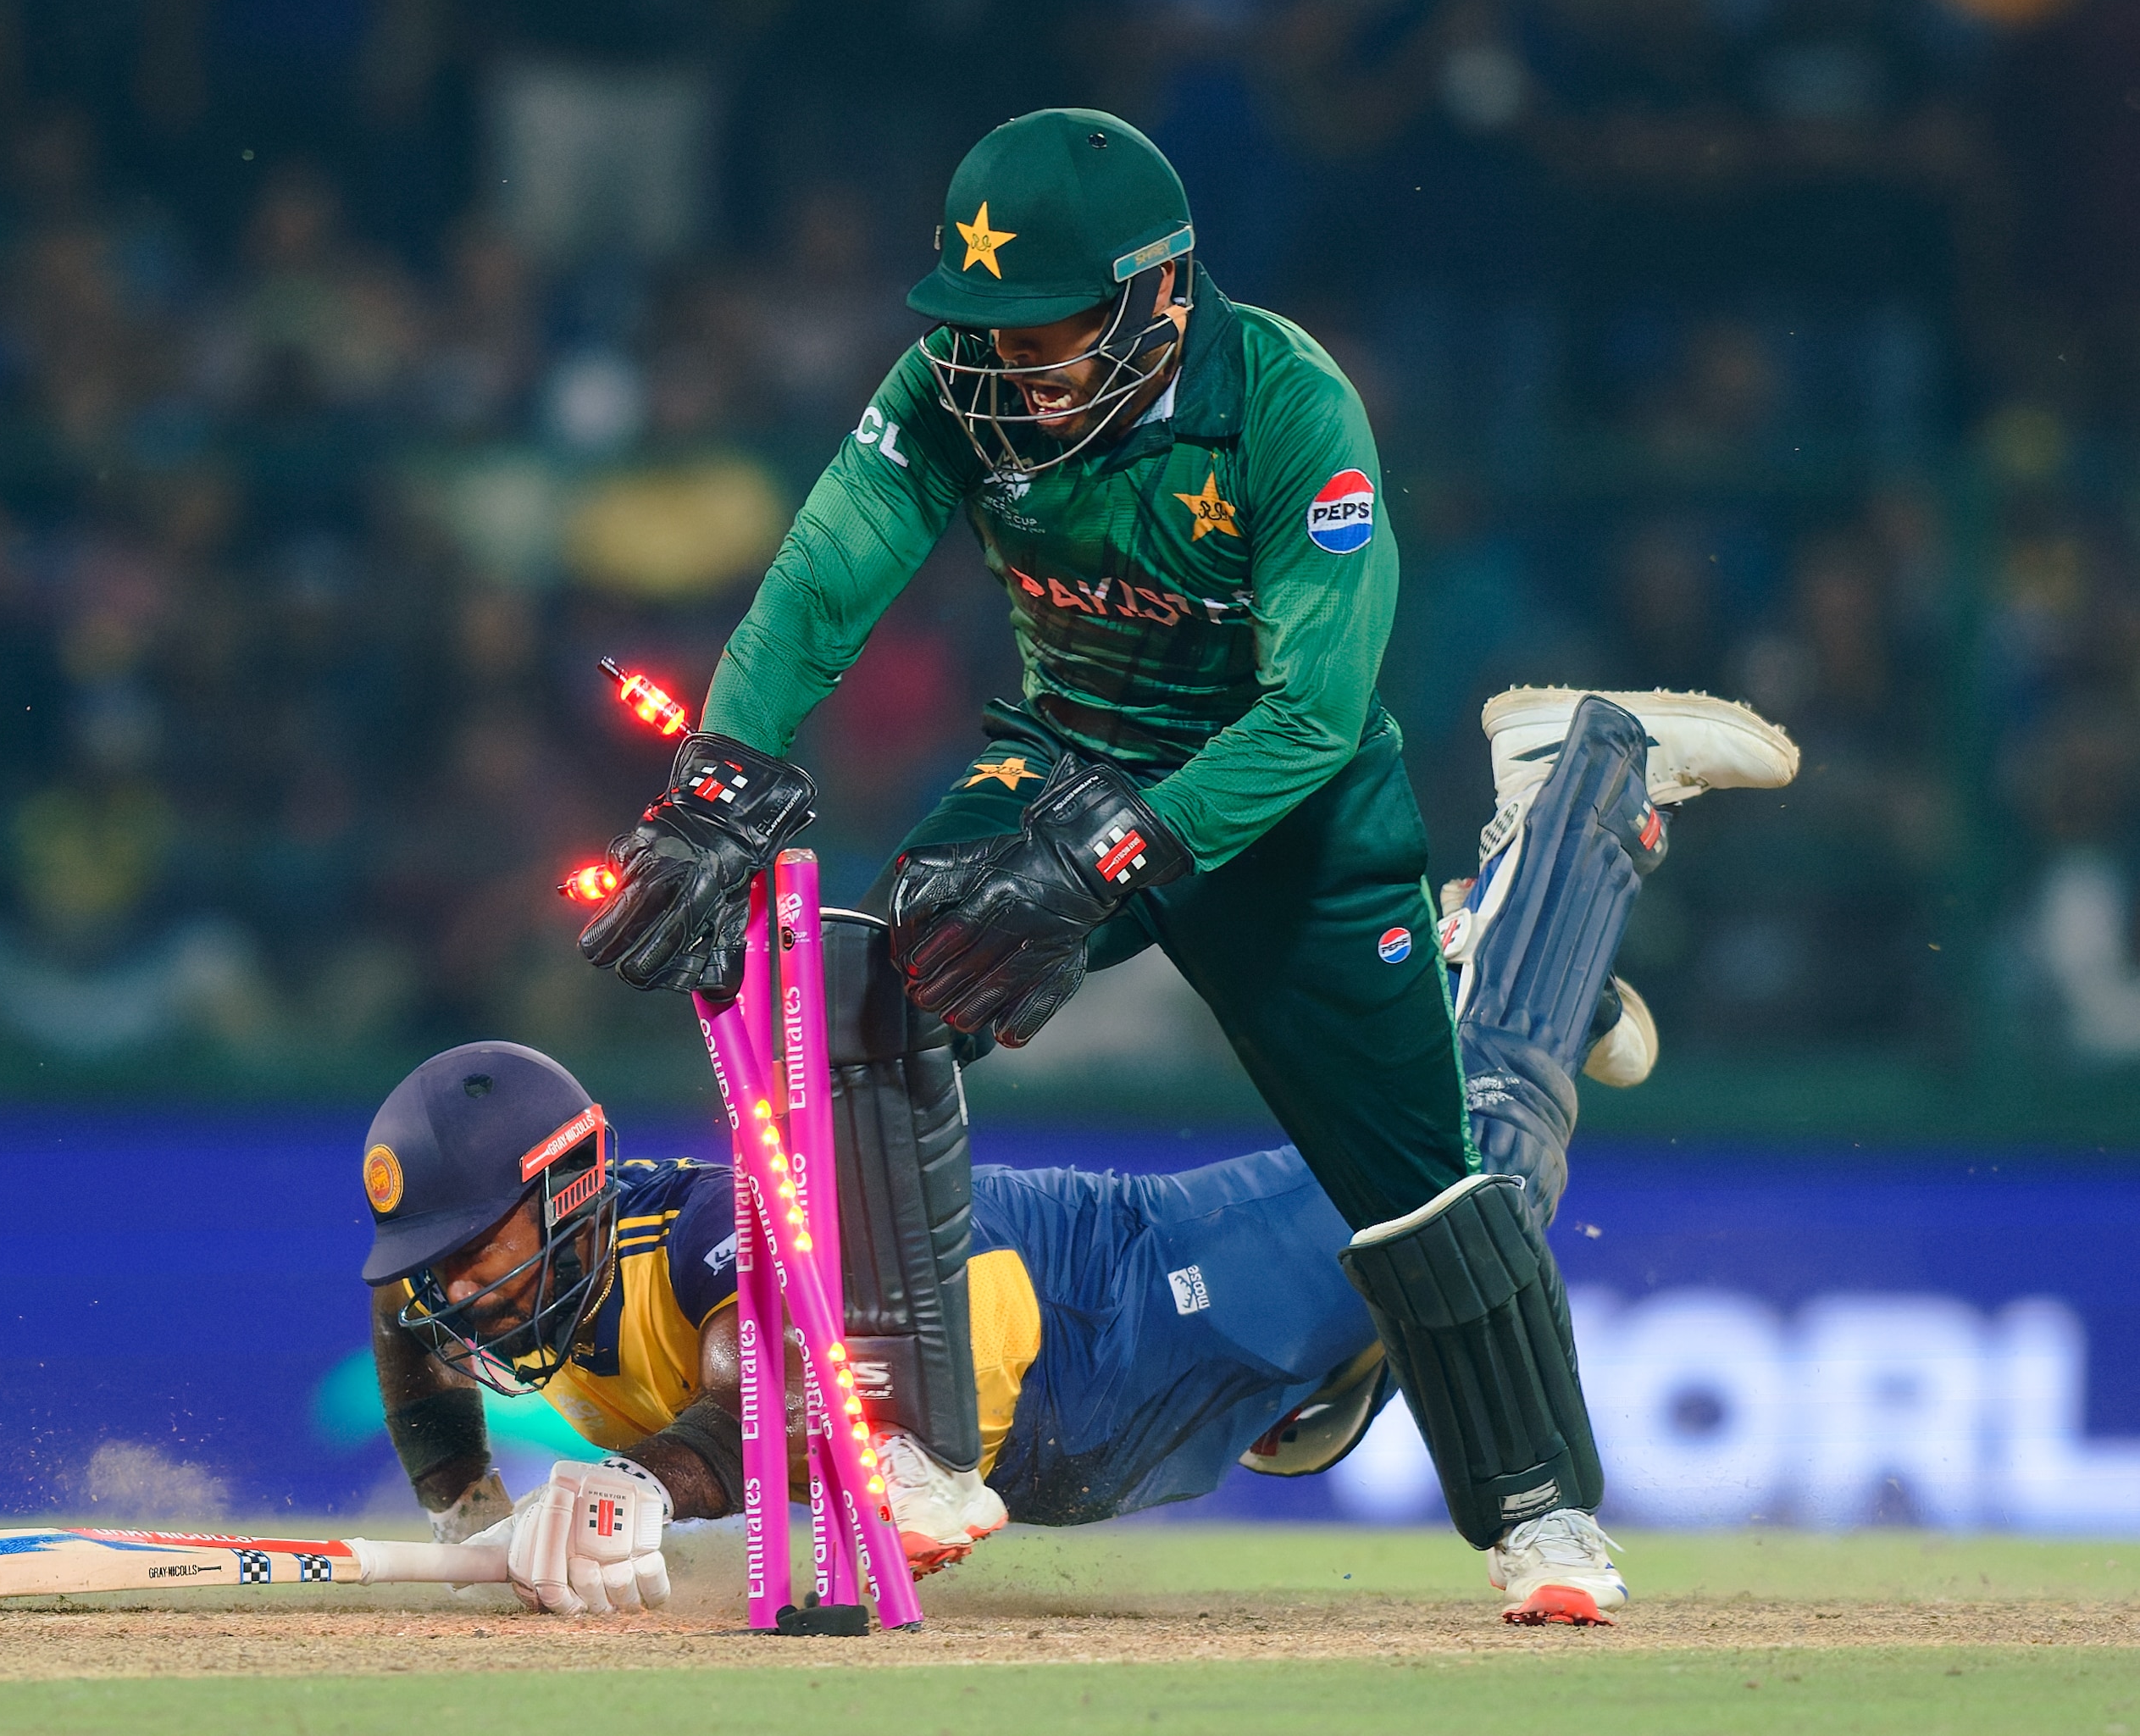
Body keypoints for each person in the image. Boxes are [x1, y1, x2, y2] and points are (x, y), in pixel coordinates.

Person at [571, 102, 1796, 1621]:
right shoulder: (953, 387)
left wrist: (1107, 859)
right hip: (1069, 747)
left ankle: (1541, 1515)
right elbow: (825, 576)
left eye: (1043, 333)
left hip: (1288, 802)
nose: (1002, 369)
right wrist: (717, 777)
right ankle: (919, 1446)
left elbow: (1316, 713)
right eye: (983, 331)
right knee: (870, 986)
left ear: (1156, 294)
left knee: (1416, 1177)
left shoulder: (1289, 405)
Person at [381, 691, 1794, 1622]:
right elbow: (404, 1323)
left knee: (1482, 1179)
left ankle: (1581, 781)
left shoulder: (689, 1235)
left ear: (568, 1190)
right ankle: (1503, 978)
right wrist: (468, 1513)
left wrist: (647, 1483)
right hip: (1098, 1416)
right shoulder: (481, 1286)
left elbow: (792, 1380)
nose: (465, 1296)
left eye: (479, 1254)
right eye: (445, 1268)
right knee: (1361, 1333)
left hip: (1120, 1313)